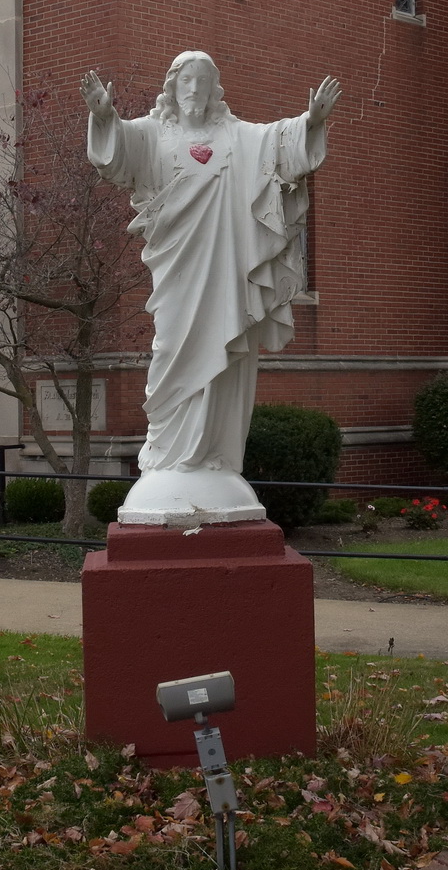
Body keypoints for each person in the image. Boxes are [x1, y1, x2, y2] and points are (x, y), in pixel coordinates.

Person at [82, 51, 340, 523]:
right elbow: (117, 155)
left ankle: (213, 457)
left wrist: (311, 122)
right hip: (177, 270)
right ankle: (169, 455)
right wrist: (104, 117)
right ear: (172, 86)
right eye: (187, 80)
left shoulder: (234, 135)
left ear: (214, 88)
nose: (195, 89)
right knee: (172, 348)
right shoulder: (154, 133)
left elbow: (277, 143)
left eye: (203, 80)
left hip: (225, 271)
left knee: (225, 352)